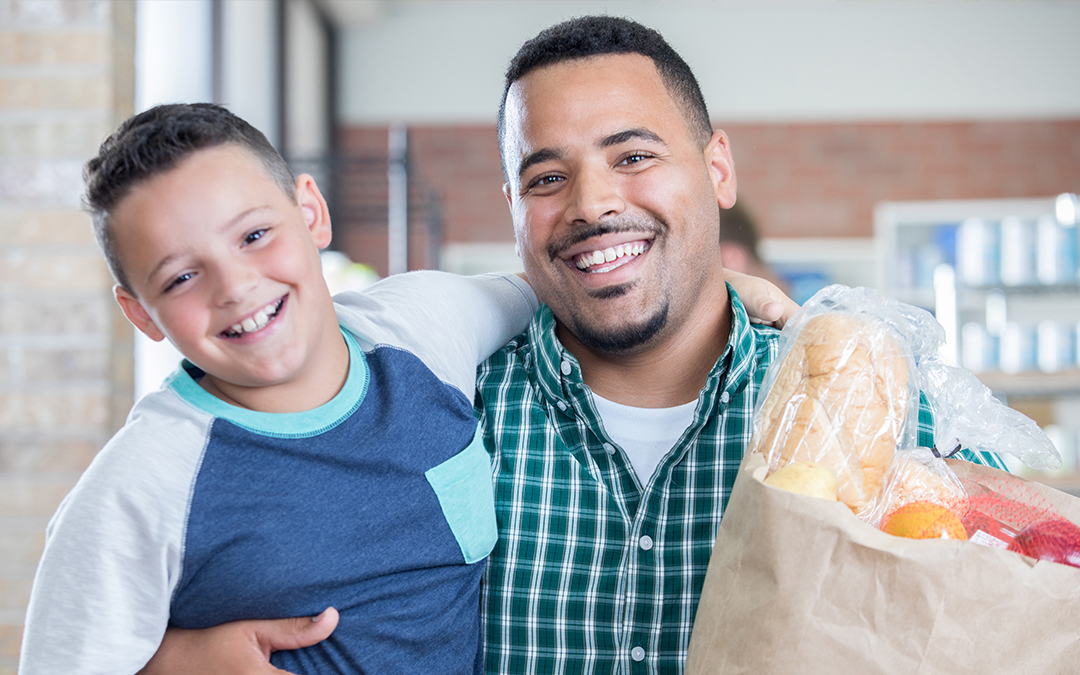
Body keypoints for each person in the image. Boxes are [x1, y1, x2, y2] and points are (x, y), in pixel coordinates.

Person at [135, 15, 1006, 675]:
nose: (591, 205)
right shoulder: (436, 410)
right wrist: (169, 658)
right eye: (546, 177)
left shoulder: (870, 412)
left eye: (633, 156)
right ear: (514, 211)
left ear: (718, 169)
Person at [18, 103, 541, 674]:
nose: (236, 287)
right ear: (142, 315)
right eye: (182, 277)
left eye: (255, 235)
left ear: (311, 212)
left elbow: (558, 285)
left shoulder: (425, 328)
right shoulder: (141, 486)